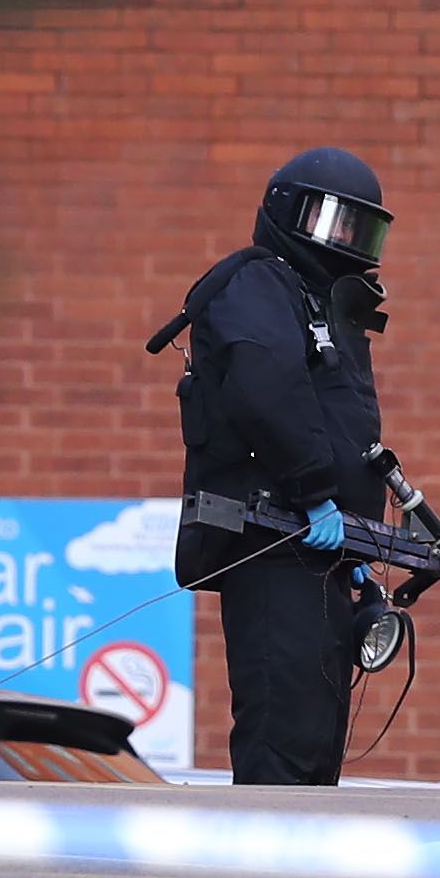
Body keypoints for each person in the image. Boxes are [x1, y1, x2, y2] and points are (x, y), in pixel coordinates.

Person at [173, 148, 394, 784]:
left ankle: (308, 876)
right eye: (333, 222)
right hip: (272, 547)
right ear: (287, 211)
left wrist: (355, 535)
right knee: (282, 732)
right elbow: (263, 386)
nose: (346, 241)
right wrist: (316, 493)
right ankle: (264, 875)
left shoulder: (317, 301)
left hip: (319, 555)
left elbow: (336, 418)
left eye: (360, 228)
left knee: (317, 736)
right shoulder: (255, 284)